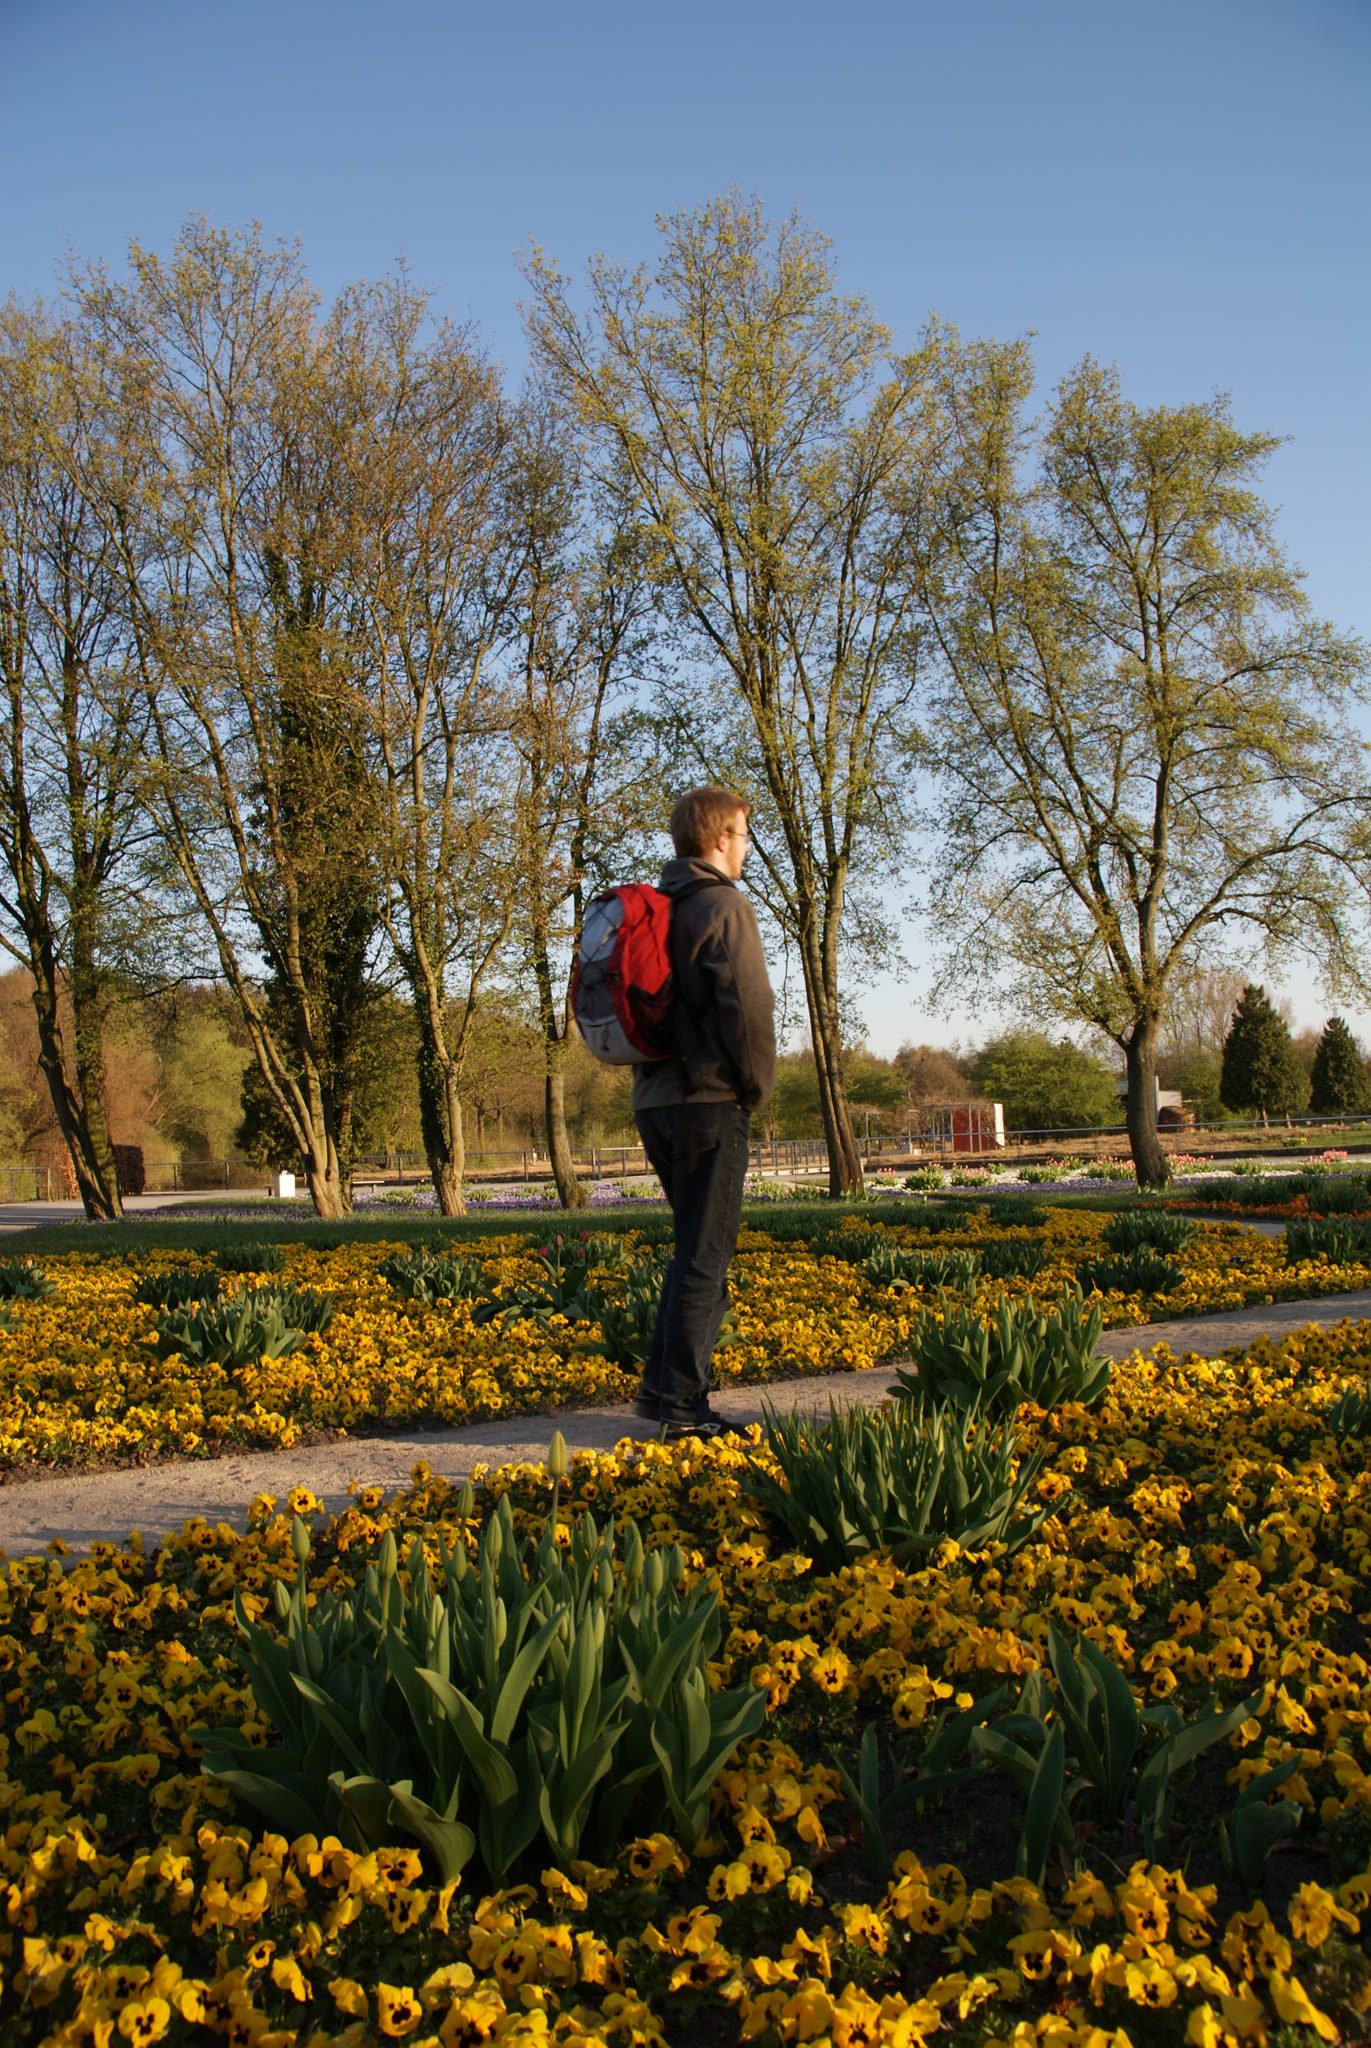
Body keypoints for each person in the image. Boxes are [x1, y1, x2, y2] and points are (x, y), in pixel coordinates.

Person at [632, 786, 776, 1440]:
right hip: (708, 1103)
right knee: (705, 1257)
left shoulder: (656, 908)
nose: (745, 847)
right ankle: (685, 1412)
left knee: (691, 1248)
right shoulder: (724, 905)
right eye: (743, 835)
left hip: (654, 1102)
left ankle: (658, 1393)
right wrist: (755, 1087)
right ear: (720, 838)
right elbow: (747, 1008)